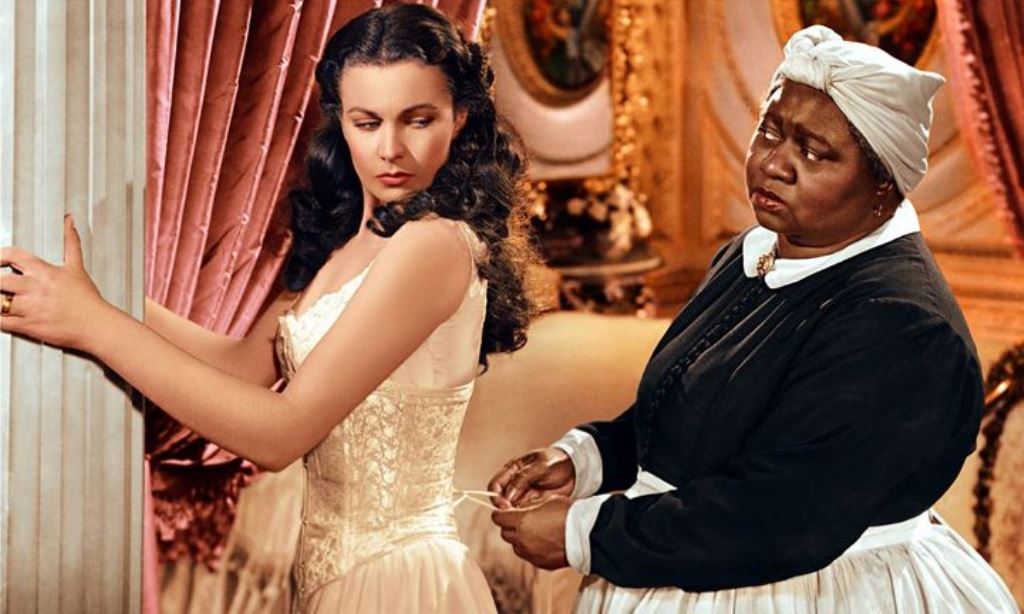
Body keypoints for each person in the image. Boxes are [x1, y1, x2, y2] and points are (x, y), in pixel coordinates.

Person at [0, 4, 534, 612]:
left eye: (418, 120)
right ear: (341, 122)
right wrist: (111, 297)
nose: (391, 149)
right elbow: (239, 366)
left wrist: (92, 324)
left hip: (402, 581)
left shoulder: (434, 244)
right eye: (367, 122)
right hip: (330, 578)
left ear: (459, 118)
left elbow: (280, 435)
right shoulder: (349, 241)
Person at [488, 25, 1019, 613]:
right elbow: (700, 411)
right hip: (692, 561)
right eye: (770, 130)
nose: (774, 163)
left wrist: (585, 533)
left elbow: (779, 515)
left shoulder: (903, 327)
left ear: (883, 187)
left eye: (814, 153)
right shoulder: (758, 251)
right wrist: (587, 459)